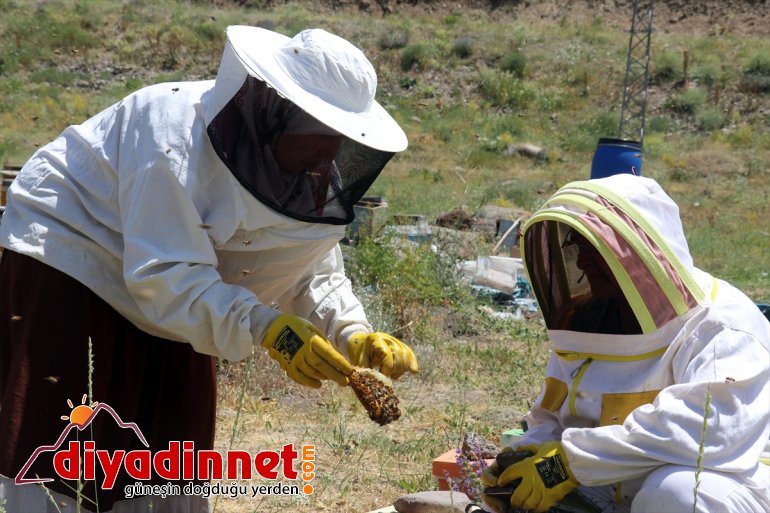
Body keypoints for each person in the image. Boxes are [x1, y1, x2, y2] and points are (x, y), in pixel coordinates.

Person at [0, 26, 418, 512]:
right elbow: (165, 274)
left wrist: (352, 332)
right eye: (322, 138)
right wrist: (268, 328)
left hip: (181, 288)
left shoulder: (309, 172)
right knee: (63, 446)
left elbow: (310, 268)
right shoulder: (169, 135)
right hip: (76, 254)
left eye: (342, 142)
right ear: (277, 115)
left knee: (172, 458)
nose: (329, 156)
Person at [481, 174, 769, 512]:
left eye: (595, 249)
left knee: (679, 493)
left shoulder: (722, 326)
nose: (584, 262)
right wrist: (527, 457)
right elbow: (554, 415)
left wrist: (567, 463)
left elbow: (706, 436)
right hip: (613, 480)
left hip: (736, 482)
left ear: (640, 252)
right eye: (577, 248)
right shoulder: (589, 323)